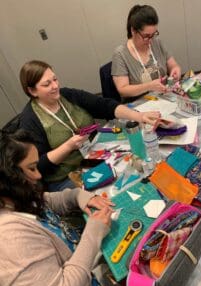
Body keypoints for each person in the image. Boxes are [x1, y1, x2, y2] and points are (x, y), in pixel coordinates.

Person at [0, 129, 123, 286]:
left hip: (89, 278)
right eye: (32, 168)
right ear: (8, 178)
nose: (38, 175)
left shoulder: (15, 198)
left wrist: (78, 196)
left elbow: (47, 201)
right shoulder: (9, 239)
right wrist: (93, 234)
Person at [17, 60, 160, 191]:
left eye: (55, 79)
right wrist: (68, 147)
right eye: (47, 84)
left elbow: (104, 105)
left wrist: (140, 116)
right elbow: (38, 165)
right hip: (66, 177)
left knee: (135, 169)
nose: (55, 86)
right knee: (118, 190)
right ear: (32, 91)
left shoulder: (67, 95)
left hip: (92, 156)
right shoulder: (30, 120)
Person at [111, 4, 181, 101]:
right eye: (146, 36)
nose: (150, 40)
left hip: (164, 98)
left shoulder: (157, 42)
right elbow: (123, 90)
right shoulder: (120, 54)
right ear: (133, 31)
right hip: (140, 105)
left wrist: (175, 70)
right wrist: (148, 86)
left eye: (154, 34)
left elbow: (173, 65)